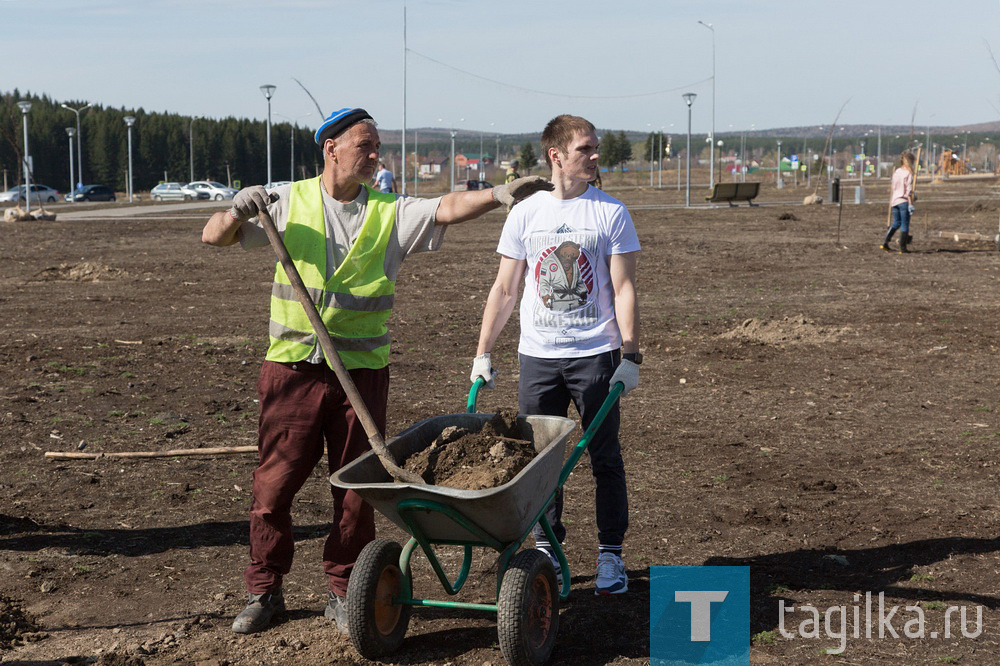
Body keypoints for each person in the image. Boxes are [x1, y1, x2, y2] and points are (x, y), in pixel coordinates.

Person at [201, 107, 552, 635]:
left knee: (356, 489)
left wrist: (497, 196)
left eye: (377, 147)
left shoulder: (390, 210)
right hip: (292, 371)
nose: (374, 156)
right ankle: (264, 590)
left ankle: (346, 591)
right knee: (273, 487)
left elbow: (446, 207)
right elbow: (213, 236)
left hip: (360, 376)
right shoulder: (286, 202)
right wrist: (236, 210)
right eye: (365, 145)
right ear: (331, 148)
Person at [470, 114, 641, 596]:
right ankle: (547, 548)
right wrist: (483, 353)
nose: (594, 156)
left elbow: (624, 288)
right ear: (556, 155)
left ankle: (611, 555)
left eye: (596, 148)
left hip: (596, 357)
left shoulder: (610, 213)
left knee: (604, 457)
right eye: (585, 148)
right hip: (539, 358)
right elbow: (505, 288)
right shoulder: (526, 214)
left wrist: (631, 355)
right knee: (539, 460)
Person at [881, 151, 916, 253]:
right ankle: (903, 247)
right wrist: (910, 203)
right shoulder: (909, 173)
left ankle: (885, 242)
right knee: (905, 224)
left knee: (896, 223)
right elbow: (908, 190)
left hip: (895, 201)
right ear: (911, 161)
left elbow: (893, 187)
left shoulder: (897, 172)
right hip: (903, 201)